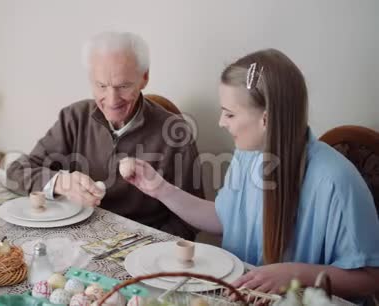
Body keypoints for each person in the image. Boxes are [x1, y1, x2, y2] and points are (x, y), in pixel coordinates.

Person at [122, 49, 379, 298]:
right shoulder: (248, 155)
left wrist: (298, 274)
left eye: (230, 114)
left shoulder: (336, 181)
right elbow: (224, 219)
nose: (221, 122)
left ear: (265, 119)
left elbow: (369, 278)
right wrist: (160, 189)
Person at [6, 32, 203, 239]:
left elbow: (190, 220)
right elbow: (17, 171)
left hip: (141, 247)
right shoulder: (74, 117)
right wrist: (61, 183)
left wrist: (147, 248)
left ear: (144, 78)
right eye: (101, 86)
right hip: (77, 238)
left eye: (123, 86)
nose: (111, 100)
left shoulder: (175, 131)